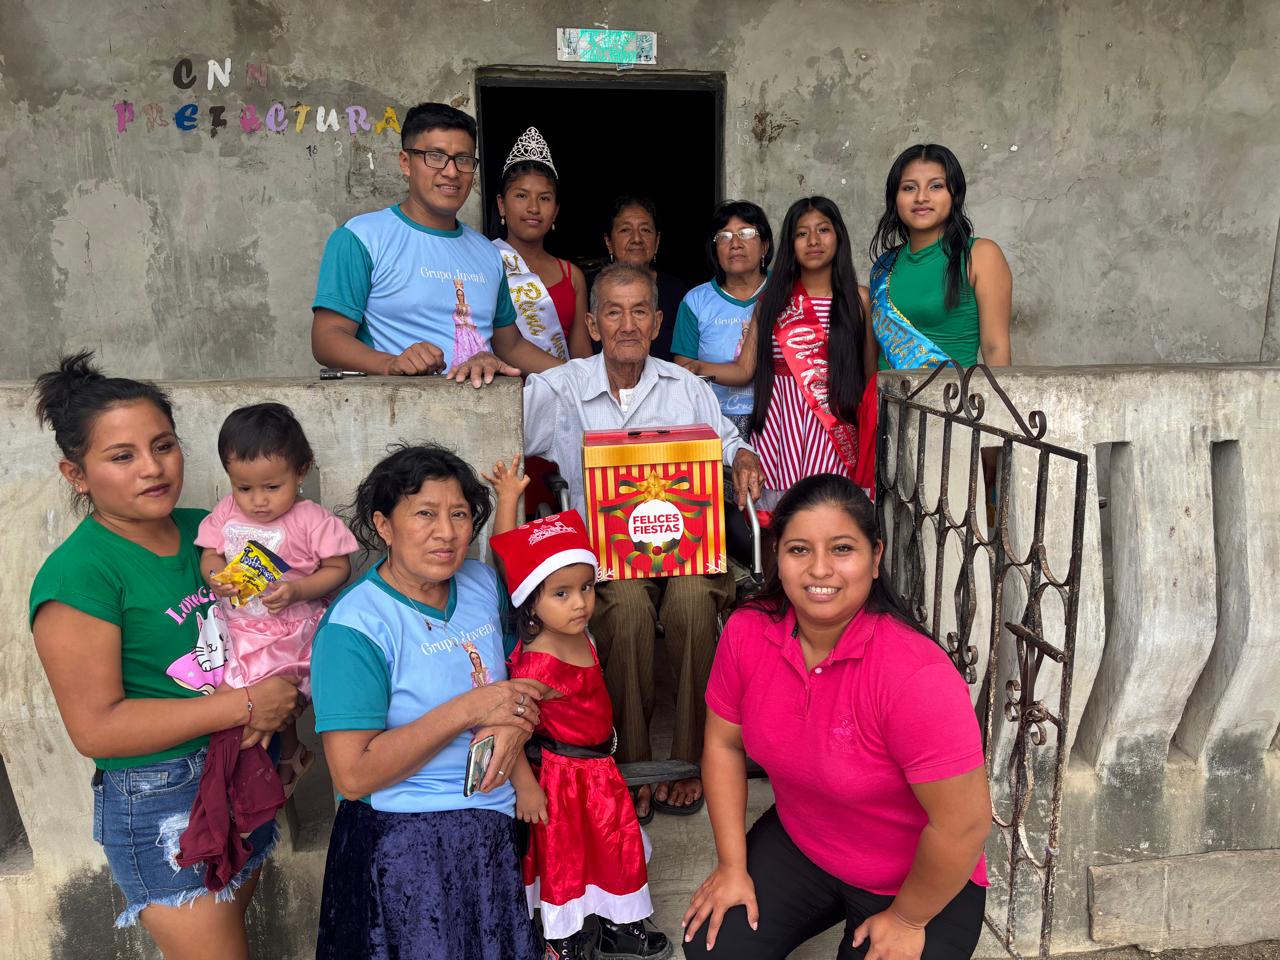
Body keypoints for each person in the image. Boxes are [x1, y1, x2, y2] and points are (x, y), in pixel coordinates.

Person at [28, 353, 298, 957]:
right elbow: (97, 728)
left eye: (163, 445)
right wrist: (247, 705)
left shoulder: (213, 532)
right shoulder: (79, 575)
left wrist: (289, 700)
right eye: (122, 456)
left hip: (242, 769)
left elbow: (281, 624)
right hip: (164, 801)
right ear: (76, 474)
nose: (152, 468)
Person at [682, 474, 990, 959]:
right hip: (806, 843)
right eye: (799, 550)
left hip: (919, 880)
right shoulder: (747, 632)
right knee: (714, 947)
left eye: (842, 549)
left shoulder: (916, 675)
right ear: (777, 555)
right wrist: (732, 867)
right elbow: (722, 744)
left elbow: (964, 826)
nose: (820, 569)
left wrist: (908, 919)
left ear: (875, 557)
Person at [523, 262, 766, 823]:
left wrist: (742, 456)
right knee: (627, 610)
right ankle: (631, 762)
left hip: (687, 549)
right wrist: (485, 367)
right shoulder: (560, 388)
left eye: (639, 312)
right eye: (613, 312)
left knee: (692, 602)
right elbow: (499, 429)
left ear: (657, 323)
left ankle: (690, 758)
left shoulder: (687, 388)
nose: (627, 325)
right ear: (593, 324)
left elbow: (729, 441)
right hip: (607, 558)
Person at [310, 443, 544, 960]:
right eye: (425, 514)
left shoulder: (482, 584)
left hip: (493, 829)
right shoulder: (355, 627)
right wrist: (472, 708)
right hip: (402, 845)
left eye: (459, 514)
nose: (447, 532)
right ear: (384, 525)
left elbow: (526, 673)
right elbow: (353, 775)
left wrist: (513, 721)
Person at [486, 461, 672, 960]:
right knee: (565, 861)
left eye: (586, 588)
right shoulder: (538, 664)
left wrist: (512, 501)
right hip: (563, 780)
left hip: (596, 770)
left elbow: (516, 558)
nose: (580, 603)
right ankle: (562, 938)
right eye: (562, 594)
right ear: (530, 603)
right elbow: (508, 727)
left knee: (614, 847)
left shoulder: (578, 631)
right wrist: (526, 787)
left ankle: (618, 925)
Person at [311, 102, 563, 388]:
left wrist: (581, 375)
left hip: (484, 411)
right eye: (436, 156)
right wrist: (391, 364)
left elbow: (511, 346)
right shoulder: (361, 237)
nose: (451, 172)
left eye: (463, 159)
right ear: (405, 162)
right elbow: (327, 338)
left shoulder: (488, 253)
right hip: (398, 410)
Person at [195, 402, 357, 794]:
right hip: (239, 624)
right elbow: (210, 554)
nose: (258, 501)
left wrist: (299, 590)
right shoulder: (226, 511)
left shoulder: (311, 520)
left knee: (273, 690)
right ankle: (276, 763)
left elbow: (339, 568)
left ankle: (273, 766)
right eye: (244, 488)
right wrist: (216, 578)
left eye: (272, 487)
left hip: (290, 628)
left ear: (301, 472)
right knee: (239, 698)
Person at [685, 197, 879, 506]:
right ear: (790, 243)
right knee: (779, 522)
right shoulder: (771, 302)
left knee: (830, 515)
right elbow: (744, 370)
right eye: (801, 233)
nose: (813, 240)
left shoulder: (860, 301)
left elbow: (870, 381)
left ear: (839, 236)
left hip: (835, 434)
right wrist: (692, 368)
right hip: (780, 432)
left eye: (823, 230)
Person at [868, 144, 1012, 371]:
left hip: (954, 393)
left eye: (936, 186)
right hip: (886, 395)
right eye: (909, 188)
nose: (921, 197)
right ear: (895, 198)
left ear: (954, 194)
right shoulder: (883, 266)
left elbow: (995, 349)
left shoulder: (981, 255)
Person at [672, 200, 774, 438]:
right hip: (714, 422)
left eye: (746, 233)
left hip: (777, 419)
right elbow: (684, 373)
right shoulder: (695, 301)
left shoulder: (785, 291)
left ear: (765, 246)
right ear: (715, 250)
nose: (735, 243)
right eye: (724, 236)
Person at [494, 126, 591, 360]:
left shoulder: (572, 276)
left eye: (544, 198)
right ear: (501, 205)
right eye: (521, 195)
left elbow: (582, 358)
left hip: (566, 384)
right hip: (504, 384)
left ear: (555, 211)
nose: (533, 208)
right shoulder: (486, 262)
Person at [599, 196, 688, 362]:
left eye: (645, 230)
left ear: (657, 240)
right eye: (625, 230)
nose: (637, 239)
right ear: (608, 241)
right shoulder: (592, 288)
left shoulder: (676, 292)